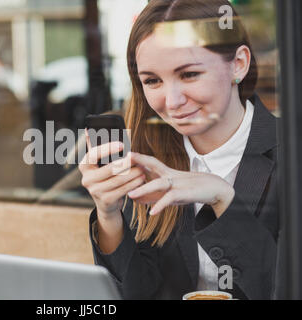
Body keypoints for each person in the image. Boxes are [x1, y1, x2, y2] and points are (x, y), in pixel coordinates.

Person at [78, 0, 279, 300]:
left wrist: (224, 200)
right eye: (152, 81)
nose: (171, 102)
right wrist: (109, 217)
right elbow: (136, 294)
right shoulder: (149, 157)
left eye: (189, 75)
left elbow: (282, 285)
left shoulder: (288, 152)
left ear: (238, 64)